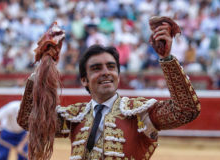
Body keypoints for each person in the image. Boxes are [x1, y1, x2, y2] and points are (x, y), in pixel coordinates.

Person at [17, 20, 201, 160]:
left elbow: (186, 111)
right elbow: (28, 121)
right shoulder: (76, 116)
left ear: (118, 75)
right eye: (96, 68)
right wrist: (43, 66)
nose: (106, 72)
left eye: (111, 67)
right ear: (84, 80)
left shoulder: (138, 112)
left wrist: (167, 59)